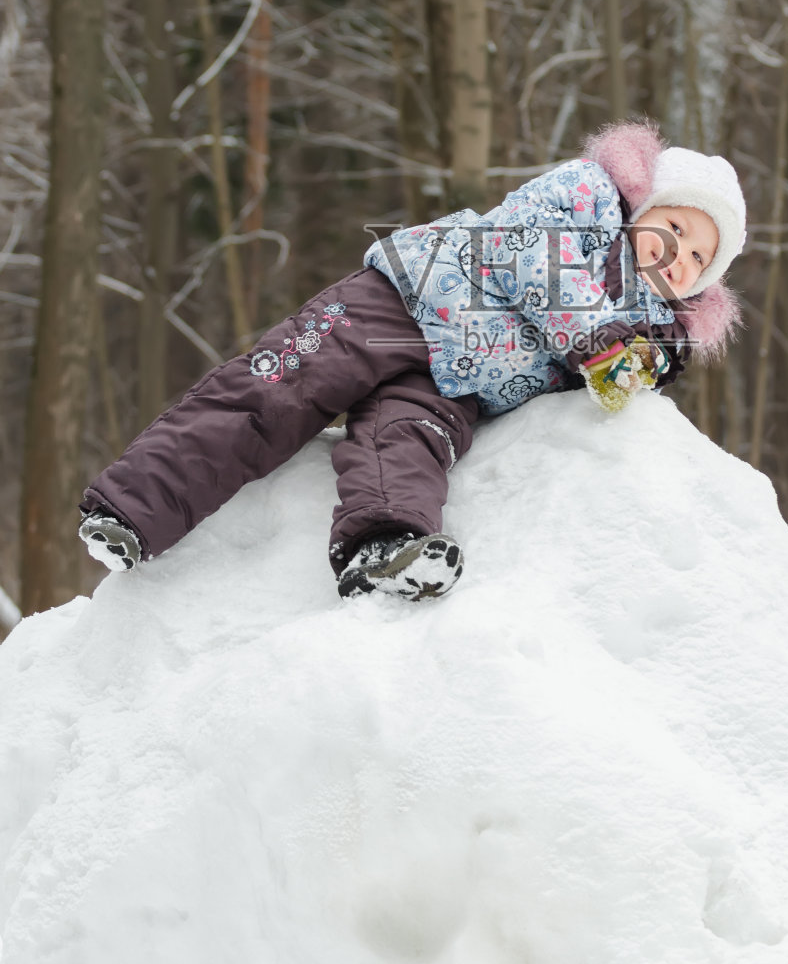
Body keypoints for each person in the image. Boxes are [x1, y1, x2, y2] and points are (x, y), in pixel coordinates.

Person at [77, 120, 746, 602]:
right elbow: (525, 250)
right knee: (278, 390)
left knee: (409, 445)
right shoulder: (584, 200)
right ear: (644, 207)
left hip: (455, 383)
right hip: (405, 299)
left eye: (696, 259)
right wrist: (599, 339)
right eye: (677, 227)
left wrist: (632, 369)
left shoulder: (645, 334)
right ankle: (136, 505)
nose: (677, 254)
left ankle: (384, 548)